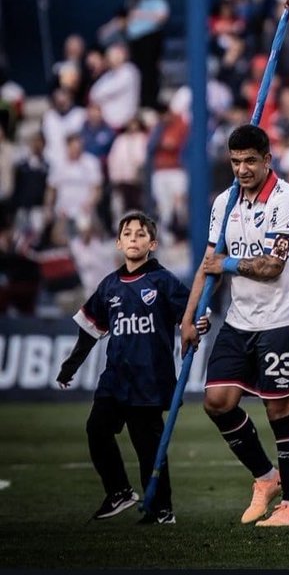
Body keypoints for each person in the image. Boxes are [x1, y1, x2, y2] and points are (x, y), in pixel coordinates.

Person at [179, 124, 289, 527]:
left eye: (250, 161)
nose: (242, 169)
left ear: (267, 160)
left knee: (279, 409)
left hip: (284, 317)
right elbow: (207, 264)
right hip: (239, 319)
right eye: (235, 161)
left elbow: (272, 267)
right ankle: (266, 477)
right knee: (217, 402)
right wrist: (188, 318)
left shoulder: (286, 200)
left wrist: (225, 263)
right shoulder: (224, 203)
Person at [55, 211, 204, 525]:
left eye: (140, 234)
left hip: (149, 379)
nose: (133, 239)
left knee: (147, 445)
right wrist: (70, 366)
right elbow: (90, 330)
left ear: (153, 243)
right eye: (128, 234)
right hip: (115, 377)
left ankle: (161, 508)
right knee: (96, 429)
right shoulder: (109, 286)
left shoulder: (163, 281)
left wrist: (197, 323)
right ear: (118, 243)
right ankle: (119, 491)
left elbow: (191, 313)